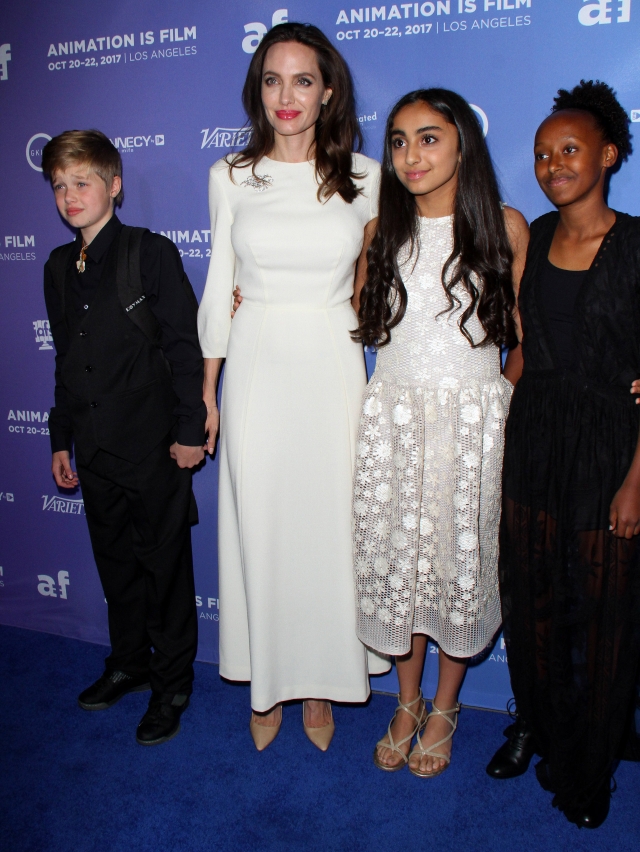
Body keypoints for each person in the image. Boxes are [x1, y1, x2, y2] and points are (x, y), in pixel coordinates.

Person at [198, 22, 388, 752]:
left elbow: (378, 281)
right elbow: (219, 287)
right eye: (273, 80)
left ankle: (321, 680)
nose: (287, 95)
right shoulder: (229, 175)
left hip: (333, 358)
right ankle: (268, 679)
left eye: (303, 80)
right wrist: (208, 390)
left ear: (327, 91)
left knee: (329, 526)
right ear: (258, 90)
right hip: (255, 359)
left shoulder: (367, 177)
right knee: (262, 522)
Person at [351, 89, 529, 777]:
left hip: (472, 427)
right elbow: (355, 319)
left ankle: (446, 706)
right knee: (399, 562)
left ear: (462, 145)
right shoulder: (380, 232)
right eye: (398, 140)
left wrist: (494, 404)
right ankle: (407, 701)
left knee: (460, 563)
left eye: (429, 137)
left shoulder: (505, 227)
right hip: (394, 424)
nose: (411, 154)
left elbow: (525, 338)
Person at [486, 81, 640, 829]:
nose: (553, 165)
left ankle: (591, 765)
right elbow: (521, 350)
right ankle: (539, 724)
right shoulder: (538, 234)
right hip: (535, 437)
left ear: (608, 154)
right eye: (543, 154)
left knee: (601, 612)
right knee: (534, 598)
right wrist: (488, 423)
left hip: (610, 448)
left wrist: (636, 482)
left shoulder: (637, 245)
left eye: (570, 150)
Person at [42, 130, 205, 746]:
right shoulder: (58, 267)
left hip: (154, 447)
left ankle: (173, 683)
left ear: (113, 185)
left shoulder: (149, 253)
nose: (70, 195)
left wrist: (190, 431)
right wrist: (61, 437)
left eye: (81, 182)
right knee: (116, 566)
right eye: (59, 185)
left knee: (165, 570)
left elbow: (185, 349)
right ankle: (130, 663)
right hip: (93, 448)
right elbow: (65, 359)